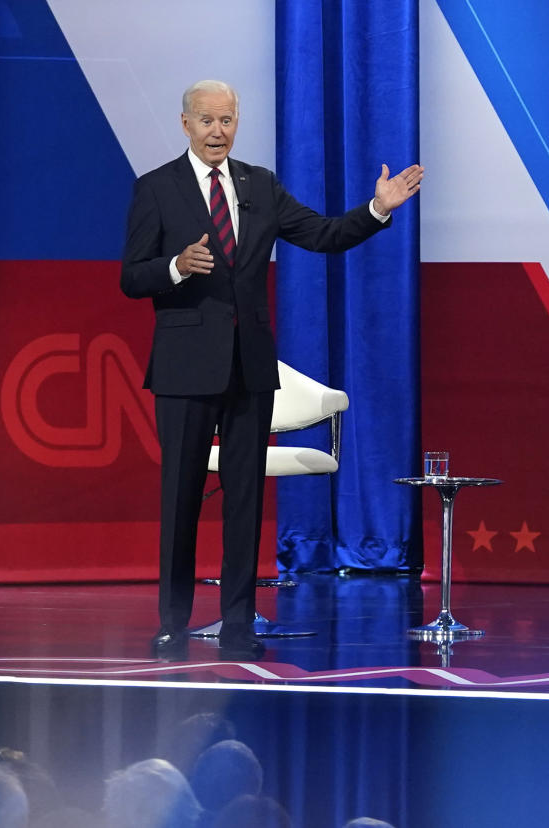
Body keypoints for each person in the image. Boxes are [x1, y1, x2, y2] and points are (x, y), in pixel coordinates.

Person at [121, 80, 423, 659]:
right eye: (207, 121)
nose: (217, 131)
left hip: (249, 368)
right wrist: (177, 267)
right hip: (185, 369)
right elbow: (132, 277)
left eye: (227, 120)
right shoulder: (156, 189)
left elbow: (324, 234)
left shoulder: (258, 185)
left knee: (244, 502)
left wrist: (377, 209)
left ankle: (238, 622)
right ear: (185, 124)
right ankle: (172, 622)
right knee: (181, 499)